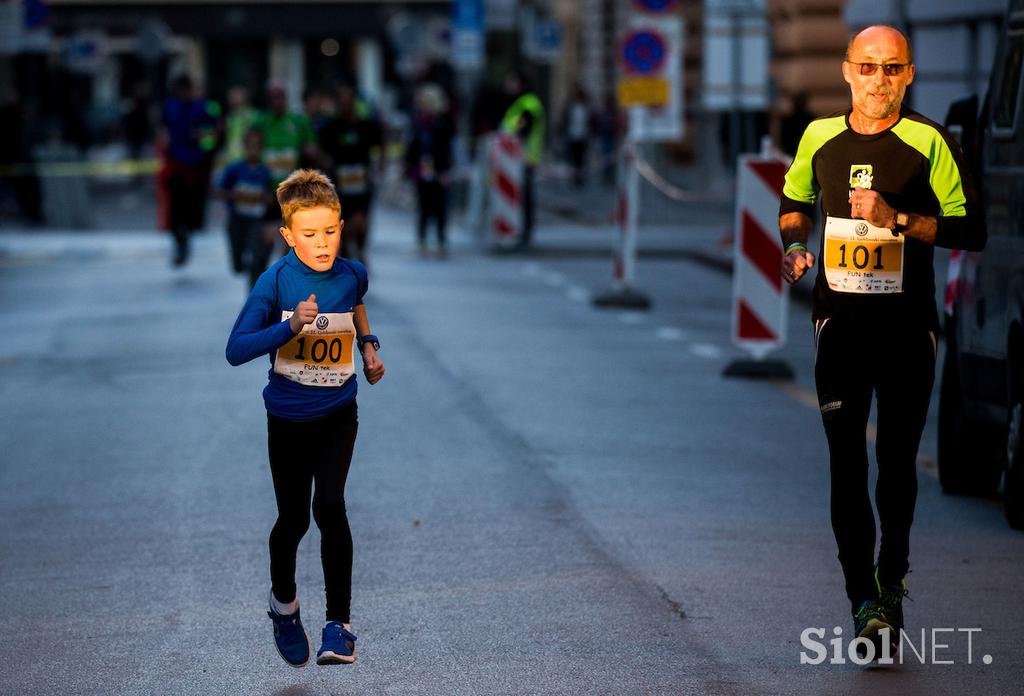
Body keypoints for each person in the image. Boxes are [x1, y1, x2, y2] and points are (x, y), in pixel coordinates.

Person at [779, 25, 986, 657]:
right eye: (867, 68)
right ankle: (861, 600)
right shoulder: (819, 136)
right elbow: (795, 199)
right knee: (847, 462)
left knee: (895, 468)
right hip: (839, 327)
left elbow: (969, 229)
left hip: (906, 329)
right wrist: (793, 245)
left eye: (892, 69)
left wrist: (893, 217)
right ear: (846, 72)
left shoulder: (928, 141)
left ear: (910, 74)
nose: (879, 81)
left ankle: (891, 582)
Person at [226, 169, 385, 668]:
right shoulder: (274, 282)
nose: (323, 244)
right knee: (293, 518)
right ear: (288, 235)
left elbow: (354, 303)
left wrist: (368, 345)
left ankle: (340, 626)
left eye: (331, 231)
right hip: (288, 418)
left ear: (342, 224)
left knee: (331, 507)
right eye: (310, 235)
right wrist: (289, 326)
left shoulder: (354, 271)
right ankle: (284, 606)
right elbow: (235, 350)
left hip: (339, 409)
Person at [159, 75, 222, 266]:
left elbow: (217, 129)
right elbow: (162, 128)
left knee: (192, 209)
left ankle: (187, 234)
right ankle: (180, 241)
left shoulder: (203, 107)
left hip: (196, 166)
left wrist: (205, 137)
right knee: (176, 209)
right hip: (176, 165)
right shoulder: (170, 106)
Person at [317, 82, 382, 264]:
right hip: (338, 183)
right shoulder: (330, 126)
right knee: (343, 226)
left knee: (361, 223)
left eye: (348, 98)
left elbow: (380, 142)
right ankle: (347, 262)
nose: (345, 103)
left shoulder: (366, 125)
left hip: (362, 181)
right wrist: (324, 164)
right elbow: (319, 149)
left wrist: (380, 165)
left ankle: (360, 250)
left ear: (354, 101)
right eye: (341, 99)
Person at [257, 83, 319, 245]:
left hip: (293, 190)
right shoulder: (261, 121)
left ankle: (285, 267)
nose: (277, 102)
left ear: (286, 99)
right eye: (273, 98)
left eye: (280, 97)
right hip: (269, 189)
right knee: (268, 238)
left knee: (291, 239)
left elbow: (312, 147)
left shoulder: (298, 122)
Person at [216, 128, 273, 288]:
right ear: (245, 146)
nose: (254, 149)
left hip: (256, 221)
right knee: (237, 265)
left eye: (257, 145)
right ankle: (243, 266)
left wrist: (266, 199)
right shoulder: (235, 169)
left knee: (257, 257)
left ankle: (253, 293)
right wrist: (235, 195)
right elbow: (219, 190)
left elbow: (271, 195)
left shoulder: (265, 171)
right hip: (236, 220)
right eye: (251, 145)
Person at [405, 83, 454, 255]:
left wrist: (445, 170)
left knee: (440, 206)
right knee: (424, 205)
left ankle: (441, 239)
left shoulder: (442, 123)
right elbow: (412, 146)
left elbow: (446, 148)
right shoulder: (418, 122)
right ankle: (422, 240)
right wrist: (409, 166)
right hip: (422, 169)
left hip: (438, 169)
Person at [500, 73, 545, 247]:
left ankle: (524, 231)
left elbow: (521, 130)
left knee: (524, 197)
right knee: (522, 196)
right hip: (522, 156)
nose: (508, 85)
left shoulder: (526, 104)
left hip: (523, 157)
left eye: (511, 81)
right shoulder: (525, 102)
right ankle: (522, 230)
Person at [562, 85, 593, 188]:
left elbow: (590, 121)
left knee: (581, 159)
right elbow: (566, 119)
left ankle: (579, 178)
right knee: (574, 158)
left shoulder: (586, 108)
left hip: (582, 137)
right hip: (573, 136)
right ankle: (575, 177)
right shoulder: (571, 107)